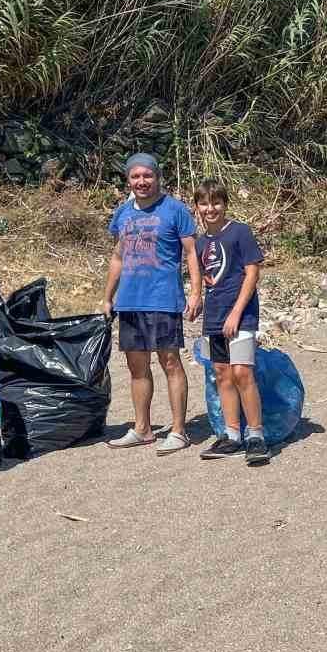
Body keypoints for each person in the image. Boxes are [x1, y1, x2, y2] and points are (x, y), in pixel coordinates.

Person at [103, 153, 201, 454]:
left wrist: (196, 293)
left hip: (163, 299)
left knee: (170, 362)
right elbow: (118, 257)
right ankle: (143, 429)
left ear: (158, 178)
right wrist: (107, 297)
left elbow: (191, 254)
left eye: (147, 176)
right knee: (137, 368)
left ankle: (179, 431)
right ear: (128, 180)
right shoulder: (122, 214)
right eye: (135, 177)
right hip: (130, 301)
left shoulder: (175, 210)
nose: (141, 182)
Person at [192, 179, 269, 465]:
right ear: (197, 207)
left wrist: (237, 312)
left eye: (216, 202)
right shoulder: (200, 242)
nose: (210, 209)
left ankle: (256, 435)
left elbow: (252, 274)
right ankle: (232, 434)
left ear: (225, 204)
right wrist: (196, 299)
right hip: (214, 317)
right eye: (204, 203)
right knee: (222, 374)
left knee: (242, 373)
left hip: (242, 315)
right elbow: (204, 278)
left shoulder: (240, 232)